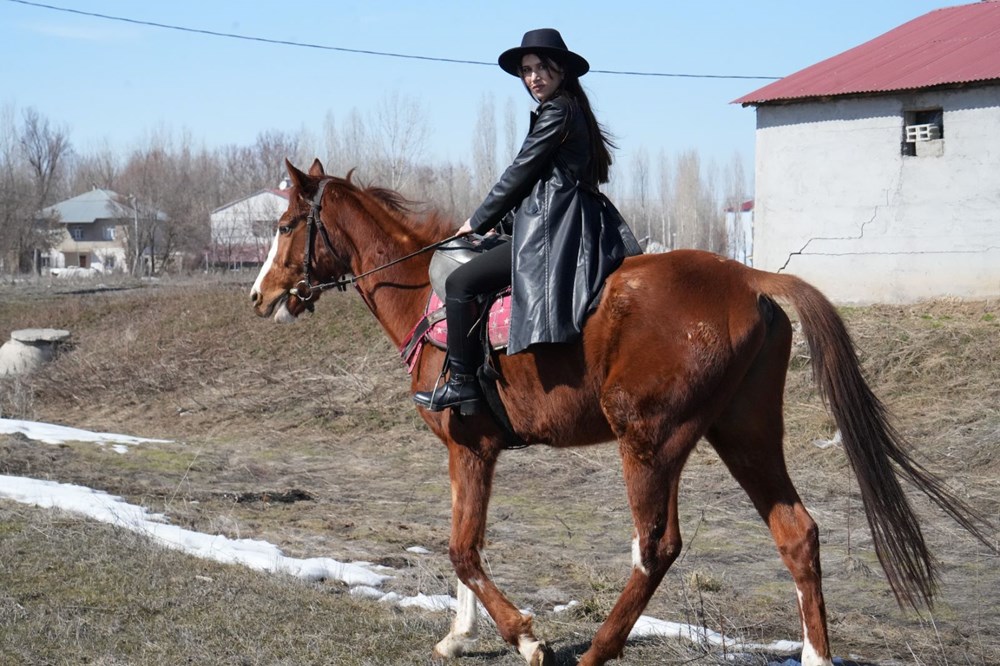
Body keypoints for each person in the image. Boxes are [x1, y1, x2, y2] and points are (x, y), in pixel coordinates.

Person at [413, 28, 641, 414]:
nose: (534, 77)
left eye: (542, 68)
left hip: (556, 228)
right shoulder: (569, 110)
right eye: (527, 70)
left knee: (460, 282)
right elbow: (537, 182)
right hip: (562, 220)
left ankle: (464, 384)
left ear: (562, 71)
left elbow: (520, 172)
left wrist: (479, 220)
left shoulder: (558, 110)